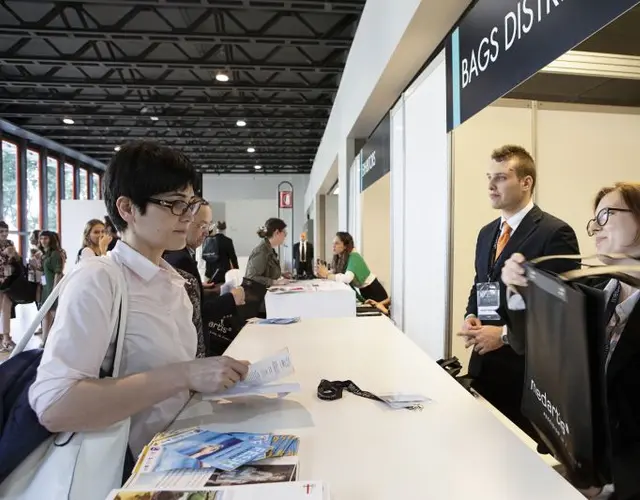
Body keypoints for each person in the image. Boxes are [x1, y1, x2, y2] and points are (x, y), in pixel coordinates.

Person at [29, 141, 249, 464]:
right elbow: (54, 404)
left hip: (179, 453)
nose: (187, 217)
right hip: (122, 468)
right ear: (128, 209)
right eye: (175, 204)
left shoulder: (175, 283)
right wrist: (184, 375)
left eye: (190, 205)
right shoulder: (98, 279)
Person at [499, 182, 640, 500]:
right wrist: (518, 292)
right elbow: (526, 346)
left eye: (606, 215)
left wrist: (608, 486)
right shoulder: (591, 294)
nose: (595, 229)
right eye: (594, 221)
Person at [457, 145, 579, 442]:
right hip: (484, 364)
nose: (490, 185)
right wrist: (471, 314)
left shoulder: (554, 233)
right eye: (489, 177)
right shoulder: (487, 232)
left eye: (500, 177)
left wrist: (502, 335)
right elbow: (481, 282)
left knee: (519, 455)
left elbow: (560, 312)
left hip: (525, 373)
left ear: (526, 182)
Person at [163, 200, 244, 356]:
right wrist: (231, 299)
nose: (206, 233)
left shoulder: (181, 255)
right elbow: (196, 315)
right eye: (202, 226)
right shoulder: (181, 259)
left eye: (208, 226)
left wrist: (200, 288)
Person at [317, 231, 388, 302]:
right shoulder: (342, 258)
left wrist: (327, 275)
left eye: (337, 243)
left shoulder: (354, 256)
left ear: (345, 246)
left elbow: (347, 278)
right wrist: (324, 273)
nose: (333, 246)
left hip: (374, 291)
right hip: (365, 290)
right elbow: (338, 274)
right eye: (333, 243)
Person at [245, 218, 289, 287]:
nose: (285, 235)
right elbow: (251, 277)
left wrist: (281, 274)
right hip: (258, 292)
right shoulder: (261, 251)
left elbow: (266, 271)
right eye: (284, 232)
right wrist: (275, 282)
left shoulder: (269, 249)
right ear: (277, 232)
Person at [39, 230, 65, 341]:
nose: (43, 241)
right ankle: (44, 340)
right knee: (45, 314)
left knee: (56, 315)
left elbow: (58, 273)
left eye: (46, 238)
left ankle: (63, 340)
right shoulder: (44, 254)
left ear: (51, 240)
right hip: (46, 288)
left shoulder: (55, 254)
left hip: (52, 288)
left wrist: (54, 290)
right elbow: (43, 273)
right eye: (41, 238)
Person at [0, 221, 17, 352]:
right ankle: (3, 337)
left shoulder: (10, 243)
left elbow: (16, 259)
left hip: (8, 281)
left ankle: (6, 338)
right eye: (1, 231)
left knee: (6, 308)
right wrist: (3, 254)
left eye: (6, 231)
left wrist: (14, 255)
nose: (4, 234)